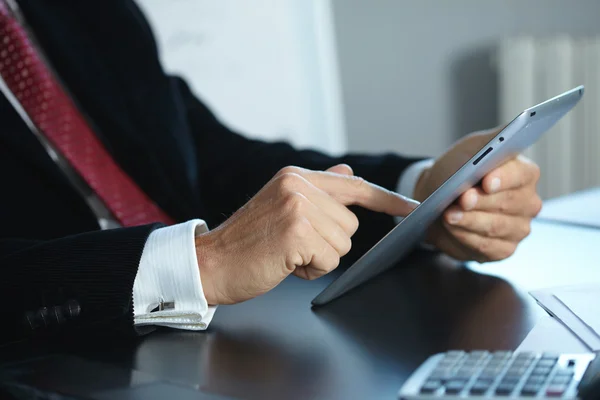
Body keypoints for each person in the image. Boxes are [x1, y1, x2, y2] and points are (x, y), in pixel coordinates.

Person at [0, 0, 541, 345]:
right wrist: (201, 264)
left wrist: (421, 194)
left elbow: (211, 160)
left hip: (218, 340)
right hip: (52, 353)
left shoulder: (83, 13)